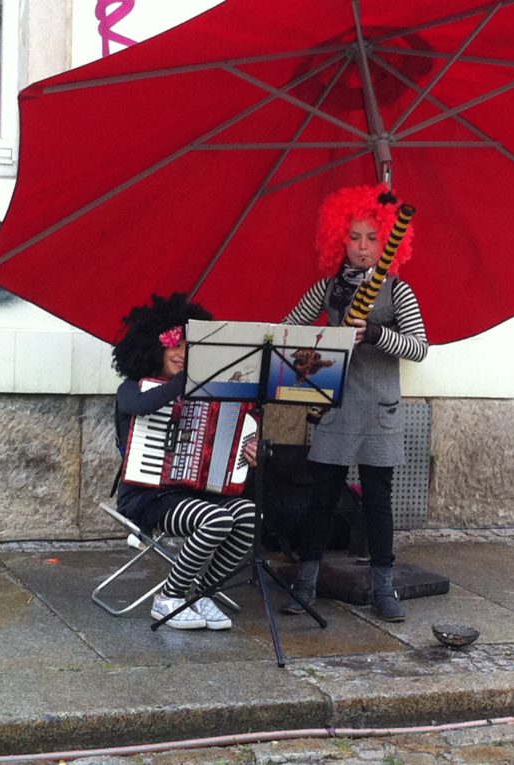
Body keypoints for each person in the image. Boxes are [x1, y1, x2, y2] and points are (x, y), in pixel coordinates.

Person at [280, 185, 428, 622]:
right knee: (321, 497)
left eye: (371, 238)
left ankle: (385, 588)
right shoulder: (328, 289)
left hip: (379, 408)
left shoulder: (398, 292)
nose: (363, 248)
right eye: (354, 238)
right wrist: (321, 346)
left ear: (387, 243)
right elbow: (288, 331)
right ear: (338, 241)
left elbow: (419, 348)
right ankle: (305, 582)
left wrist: (376, 334)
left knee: (378, 500)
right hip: (335, 405)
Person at [112, 293, 258, 631]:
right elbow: (143, 407)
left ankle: (202, 594)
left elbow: (235, 432)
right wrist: (190, 379)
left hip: (196, 494)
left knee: (248, 515)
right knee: (216, 520)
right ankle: (169, 597)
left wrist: (245, 450)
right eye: (174, 346)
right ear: (154, 348)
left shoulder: (207, 396)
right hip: (147, 497)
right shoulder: (131, 389)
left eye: (191, 349)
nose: (181, 355)